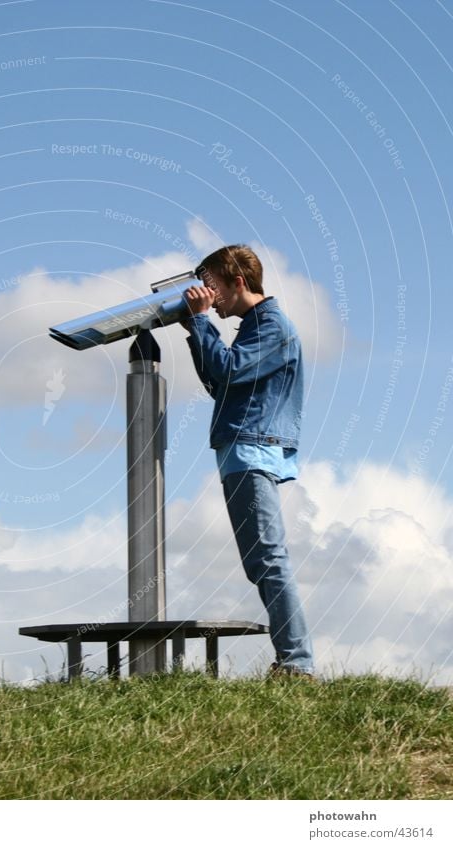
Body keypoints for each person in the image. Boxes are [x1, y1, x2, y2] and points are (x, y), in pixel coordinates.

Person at [180, 244, 314, 677]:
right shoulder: (254, 327)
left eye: (213, 286)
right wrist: (196, 328)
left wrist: (201, 323)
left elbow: (231, 370)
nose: (209, 295)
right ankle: (294, 661)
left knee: (269, 560)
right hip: (244, 449)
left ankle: (296, 663)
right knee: (263, 560)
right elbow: (220, 383)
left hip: (252, 450)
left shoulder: (271, 327)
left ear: (239, 281)